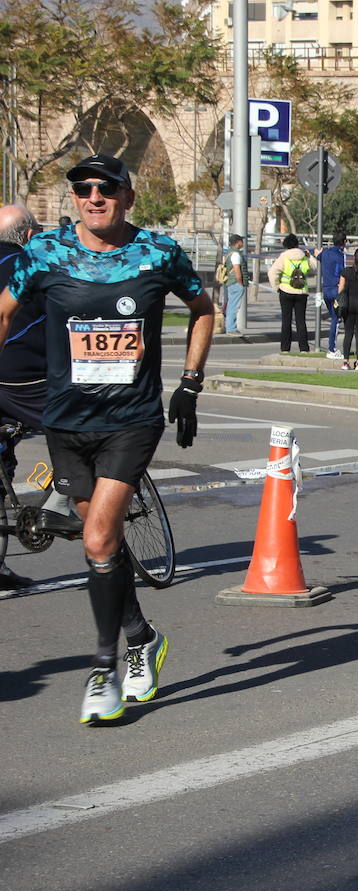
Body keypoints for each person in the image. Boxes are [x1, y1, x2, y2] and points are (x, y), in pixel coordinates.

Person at [0, 153, 214, 724]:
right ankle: (142, 637)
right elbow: (3, 312)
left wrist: (189, 385)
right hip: (67, 423)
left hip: (132, 419)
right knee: (106, 547)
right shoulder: (44, 254)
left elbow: (202, 308)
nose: (94, 196)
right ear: (73, 198)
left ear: (128, 196)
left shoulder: (158, 253)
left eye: (107, 187)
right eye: (83, 188)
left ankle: (103, 670)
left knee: (96, 540)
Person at [0, 204, 48, 588]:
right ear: (30, 235)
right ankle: (65, 499)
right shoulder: (30, 268)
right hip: (23, 381)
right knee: (83, 427)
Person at [267, 233, 315, 352]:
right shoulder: (304, 256)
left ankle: (285, 348)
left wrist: (277, 287)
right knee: (301, 321)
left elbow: (272, 273)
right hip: (302, 292)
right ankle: (304, 348)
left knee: (286, 321)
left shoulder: (283, 257)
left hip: (286, 291)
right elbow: (315, 267)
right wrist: (310, 256)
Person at [316, 231, 347, 357]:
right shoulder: (340, 255)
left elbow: (318, 255)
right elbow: (342, 273)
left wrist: (316, 253)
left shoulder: (326, 253)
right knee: (336, 319)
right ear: (344, 242)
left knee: (334, 317)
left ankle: (332, 348)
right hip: (335, 290)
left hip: (326, 290)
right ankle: (332, 349)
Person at [223, 234, 247, 334]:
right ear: (238, 242)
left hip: (230, 282)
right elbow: (237, 269)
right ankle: (231, 329)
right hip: (235, 283)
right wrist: (240, 283)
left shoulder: (229, 253)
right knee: (234, 306)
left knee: (231, 305)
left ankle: (230, 327)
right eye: (242, 241)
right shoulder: (236, 254)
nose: (243, 243)